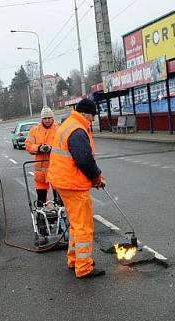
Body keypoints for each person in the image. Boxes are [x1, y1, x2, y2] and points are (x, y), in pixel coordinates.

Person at [47, 99, 106, 279]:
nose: (94, 119)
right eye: (93, 115)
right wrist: (96, 178)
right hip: (73, 185)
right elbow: (84, 160)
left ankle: (74, 259)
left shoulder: (68, 125)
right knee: (84, 226)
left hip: (63, 182)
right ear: (86, 113)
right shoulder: (78, 130)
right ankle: (84, 267)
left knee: (75, 223)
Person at [24, 106, 60, 206]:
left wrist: (51, 149)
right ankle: (41, 218)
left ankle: (60, 218)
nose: (47, 120)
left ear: (53, 118)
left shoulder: (58, 130)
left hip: (56, 170)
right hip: (41, 173)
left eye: (49, 118)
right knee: (41, 199)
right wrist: (39, 148)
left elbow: (64, 147)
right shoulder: (34, 130)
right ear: (41, 119)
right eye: (45, 118)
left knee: (59, 199)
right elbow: (28, 146)